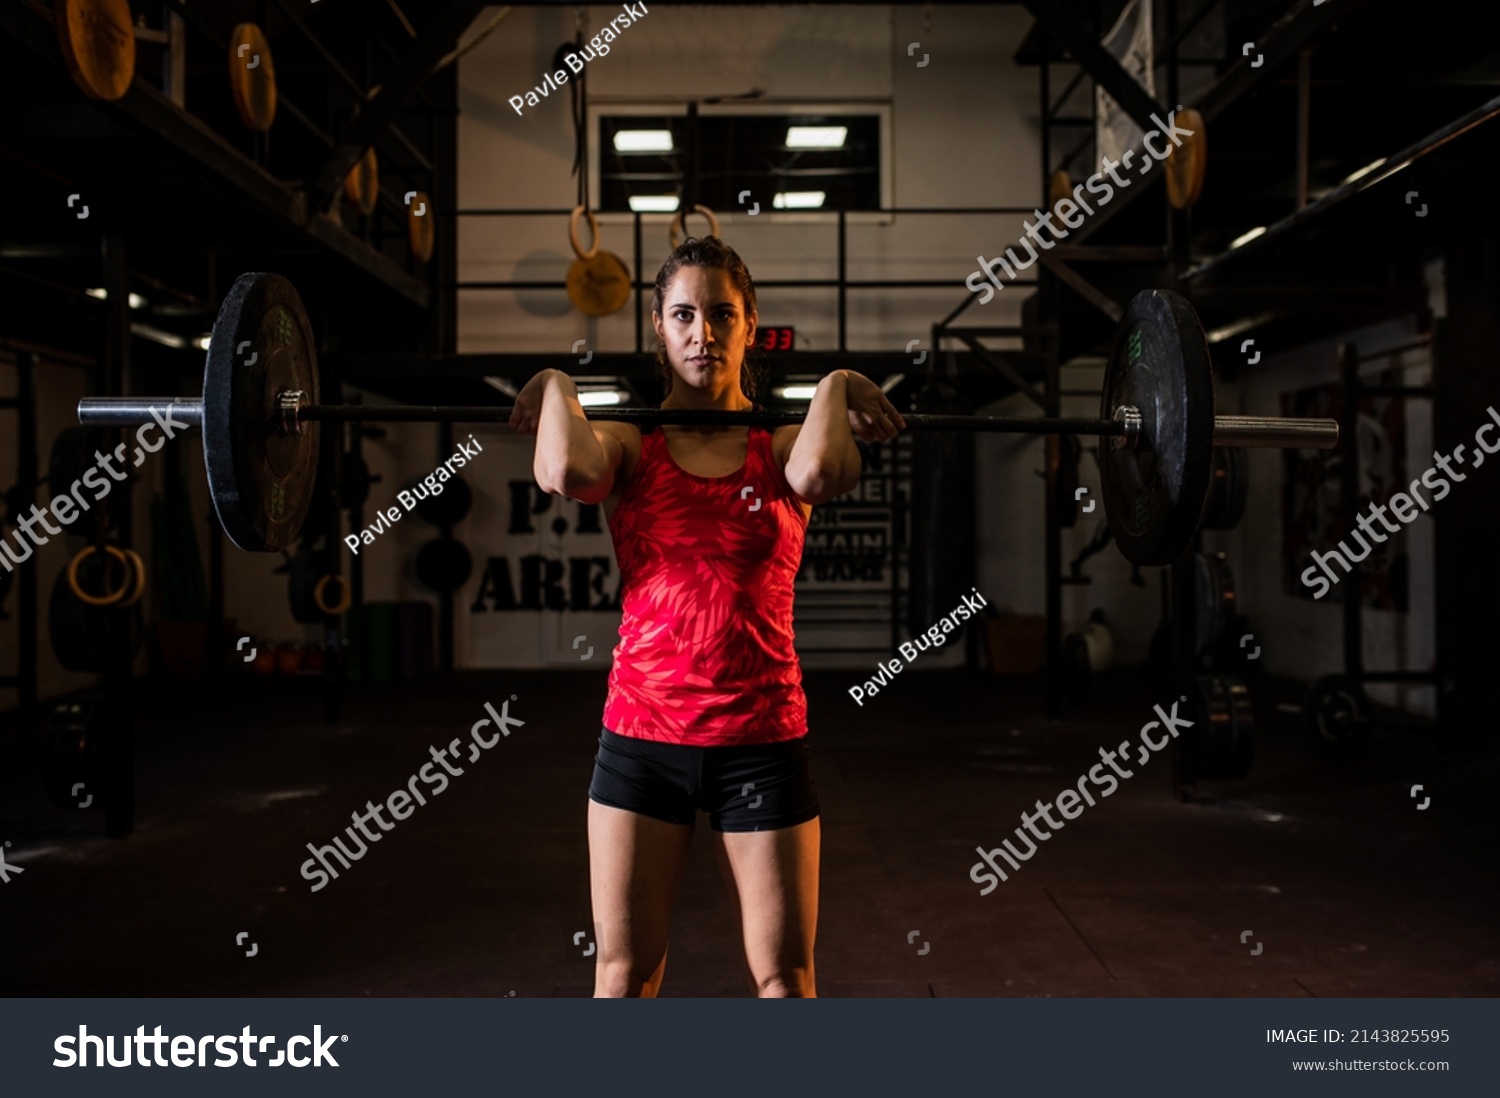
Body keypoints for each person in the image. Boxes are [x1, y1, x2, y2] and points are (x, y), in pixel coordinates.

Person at [509, 236, 906, 997]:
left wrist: (838, 381)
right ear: (659, 327)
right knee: (624, 975)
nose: (704, 333)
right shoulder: (631, 441)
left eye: (723, 314)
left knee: (784, 981)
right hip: (640, 744)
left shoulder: (782, 443)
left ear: (750, 325)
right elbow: (564, 469)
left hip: (761, 743)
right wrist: (556, 378)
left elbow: (822, 471)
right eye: (684, 315)